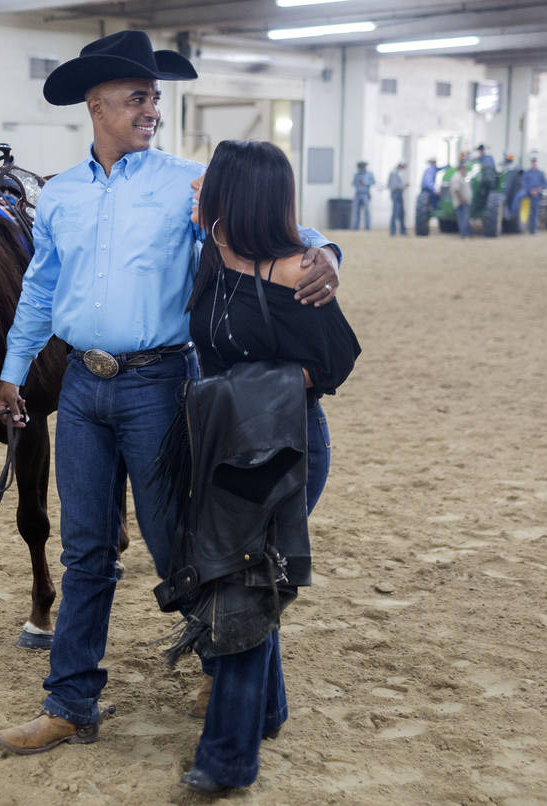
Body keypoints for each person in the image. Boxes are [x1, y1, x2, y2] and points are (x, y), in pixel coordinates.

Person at [0, 30, 342, 759]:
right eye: (139, 97)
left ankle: (226, 674)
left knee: (181, 545)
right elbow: (40, 286)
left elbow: (286, 231)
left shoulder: (192, 184)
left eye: (156, 97)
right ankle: (70, 702)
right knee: (85, 550)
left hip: (159, 384)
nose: (152, 108)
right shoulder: (61, 196)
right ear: (98, 104)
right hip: (81, 387)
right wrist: (12, 369)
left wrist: (328, 255)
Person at [166, 138, 359, 795]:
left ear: (235, 194)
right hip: (223, 445)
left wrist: (258, 388)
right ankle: (268, 709)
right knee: (249, 582)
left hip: (285, 446)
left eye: (210, 181)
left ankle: (226, 761)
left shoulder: (297, 271)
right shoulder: (211, 249)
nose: (200, 189)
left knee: (243, 593)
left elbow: (335, 362)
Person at [519, 156, 547, 234]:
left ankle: (533, 230)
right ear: (531, 163)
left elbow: (545, 184)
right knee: (520, 201)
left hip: (537, 195)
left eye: (535, 162)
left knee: (534, 212)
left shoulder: (541, 173)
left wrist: (538, 190)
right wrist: (531, 190)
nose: (534, 163)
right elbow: (524, 183)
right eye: (532, 162)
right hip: (528, 194)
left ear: (536, 163)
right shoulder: (527, 173)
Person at [351, 160, 375, 230]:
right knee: (356, 211)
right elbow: (353, 183)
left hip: (365, 194)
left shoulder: (369, 174)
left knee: (366, 211)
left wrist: (365, 182)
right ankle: (356, 227)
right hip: (358, 194)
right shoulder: (356, 175)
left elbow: (373, 182)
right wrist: (358, 182)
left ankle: (367, 227)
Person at [450, 162, 471, 238]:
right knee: (463, 219)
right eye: (465, 169)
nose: (465, 171)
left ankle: (466, 234)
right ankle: (464, 234)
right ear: (461, 169)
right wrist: (461, 199)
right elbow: (456, 190)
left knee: (465, 218)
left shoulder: (462, 177)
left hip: (464, 201)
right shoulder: (457, 177)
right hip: (461, 202)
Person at [388, 161, 407, 235]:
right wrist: (404, 186)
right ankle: (393, 231)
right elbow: (395, 185)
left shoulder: (397, 173)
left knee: (401, 213)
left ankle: (402, 231)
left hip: (398, 194)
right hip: (396, 194)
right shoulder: (394, 173)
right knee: (395, 213)